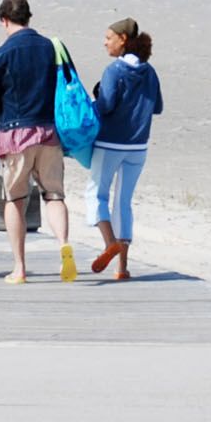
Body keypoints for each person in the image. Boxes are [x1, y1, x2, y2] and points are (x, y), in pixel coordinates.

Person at [0, 0, 69, 282]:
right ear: (29, 18)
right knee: (54, 195)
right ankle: (64, 244)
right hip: (50, 133)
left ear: (4, 20)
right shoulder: (51, 48)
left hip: (15, 135)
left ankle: (20, 267)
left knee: (15, 200)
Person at [85, 18, 163, 280]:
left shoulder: (114, 70)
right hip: (139, 146)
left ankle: (109, 244)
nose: (105, 42)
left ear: (123, 40)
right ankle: (122, 268)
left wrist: (93, 99)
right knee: (123, 202)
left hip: (110, 143)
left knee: (97, 195)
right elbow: (158, 107)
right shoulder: (149, 71)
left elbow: (104, 106)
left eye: (109, 37)